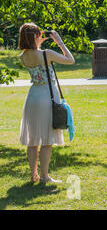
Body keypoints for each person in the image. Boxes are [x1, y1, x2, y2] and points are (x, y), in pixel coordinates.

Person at [18, 23, 75, 183]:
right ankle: (44, 176)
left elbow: (34, 53)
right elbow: (70, 60)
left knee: (33, 140)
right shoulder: (47, 54)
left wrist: (36, 43)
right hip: (47, 97)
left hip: (33, 97)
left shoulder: (23, 56)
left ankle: (33, 175)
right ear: (34, 37)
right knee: (47, 139)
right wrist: (59, 42)